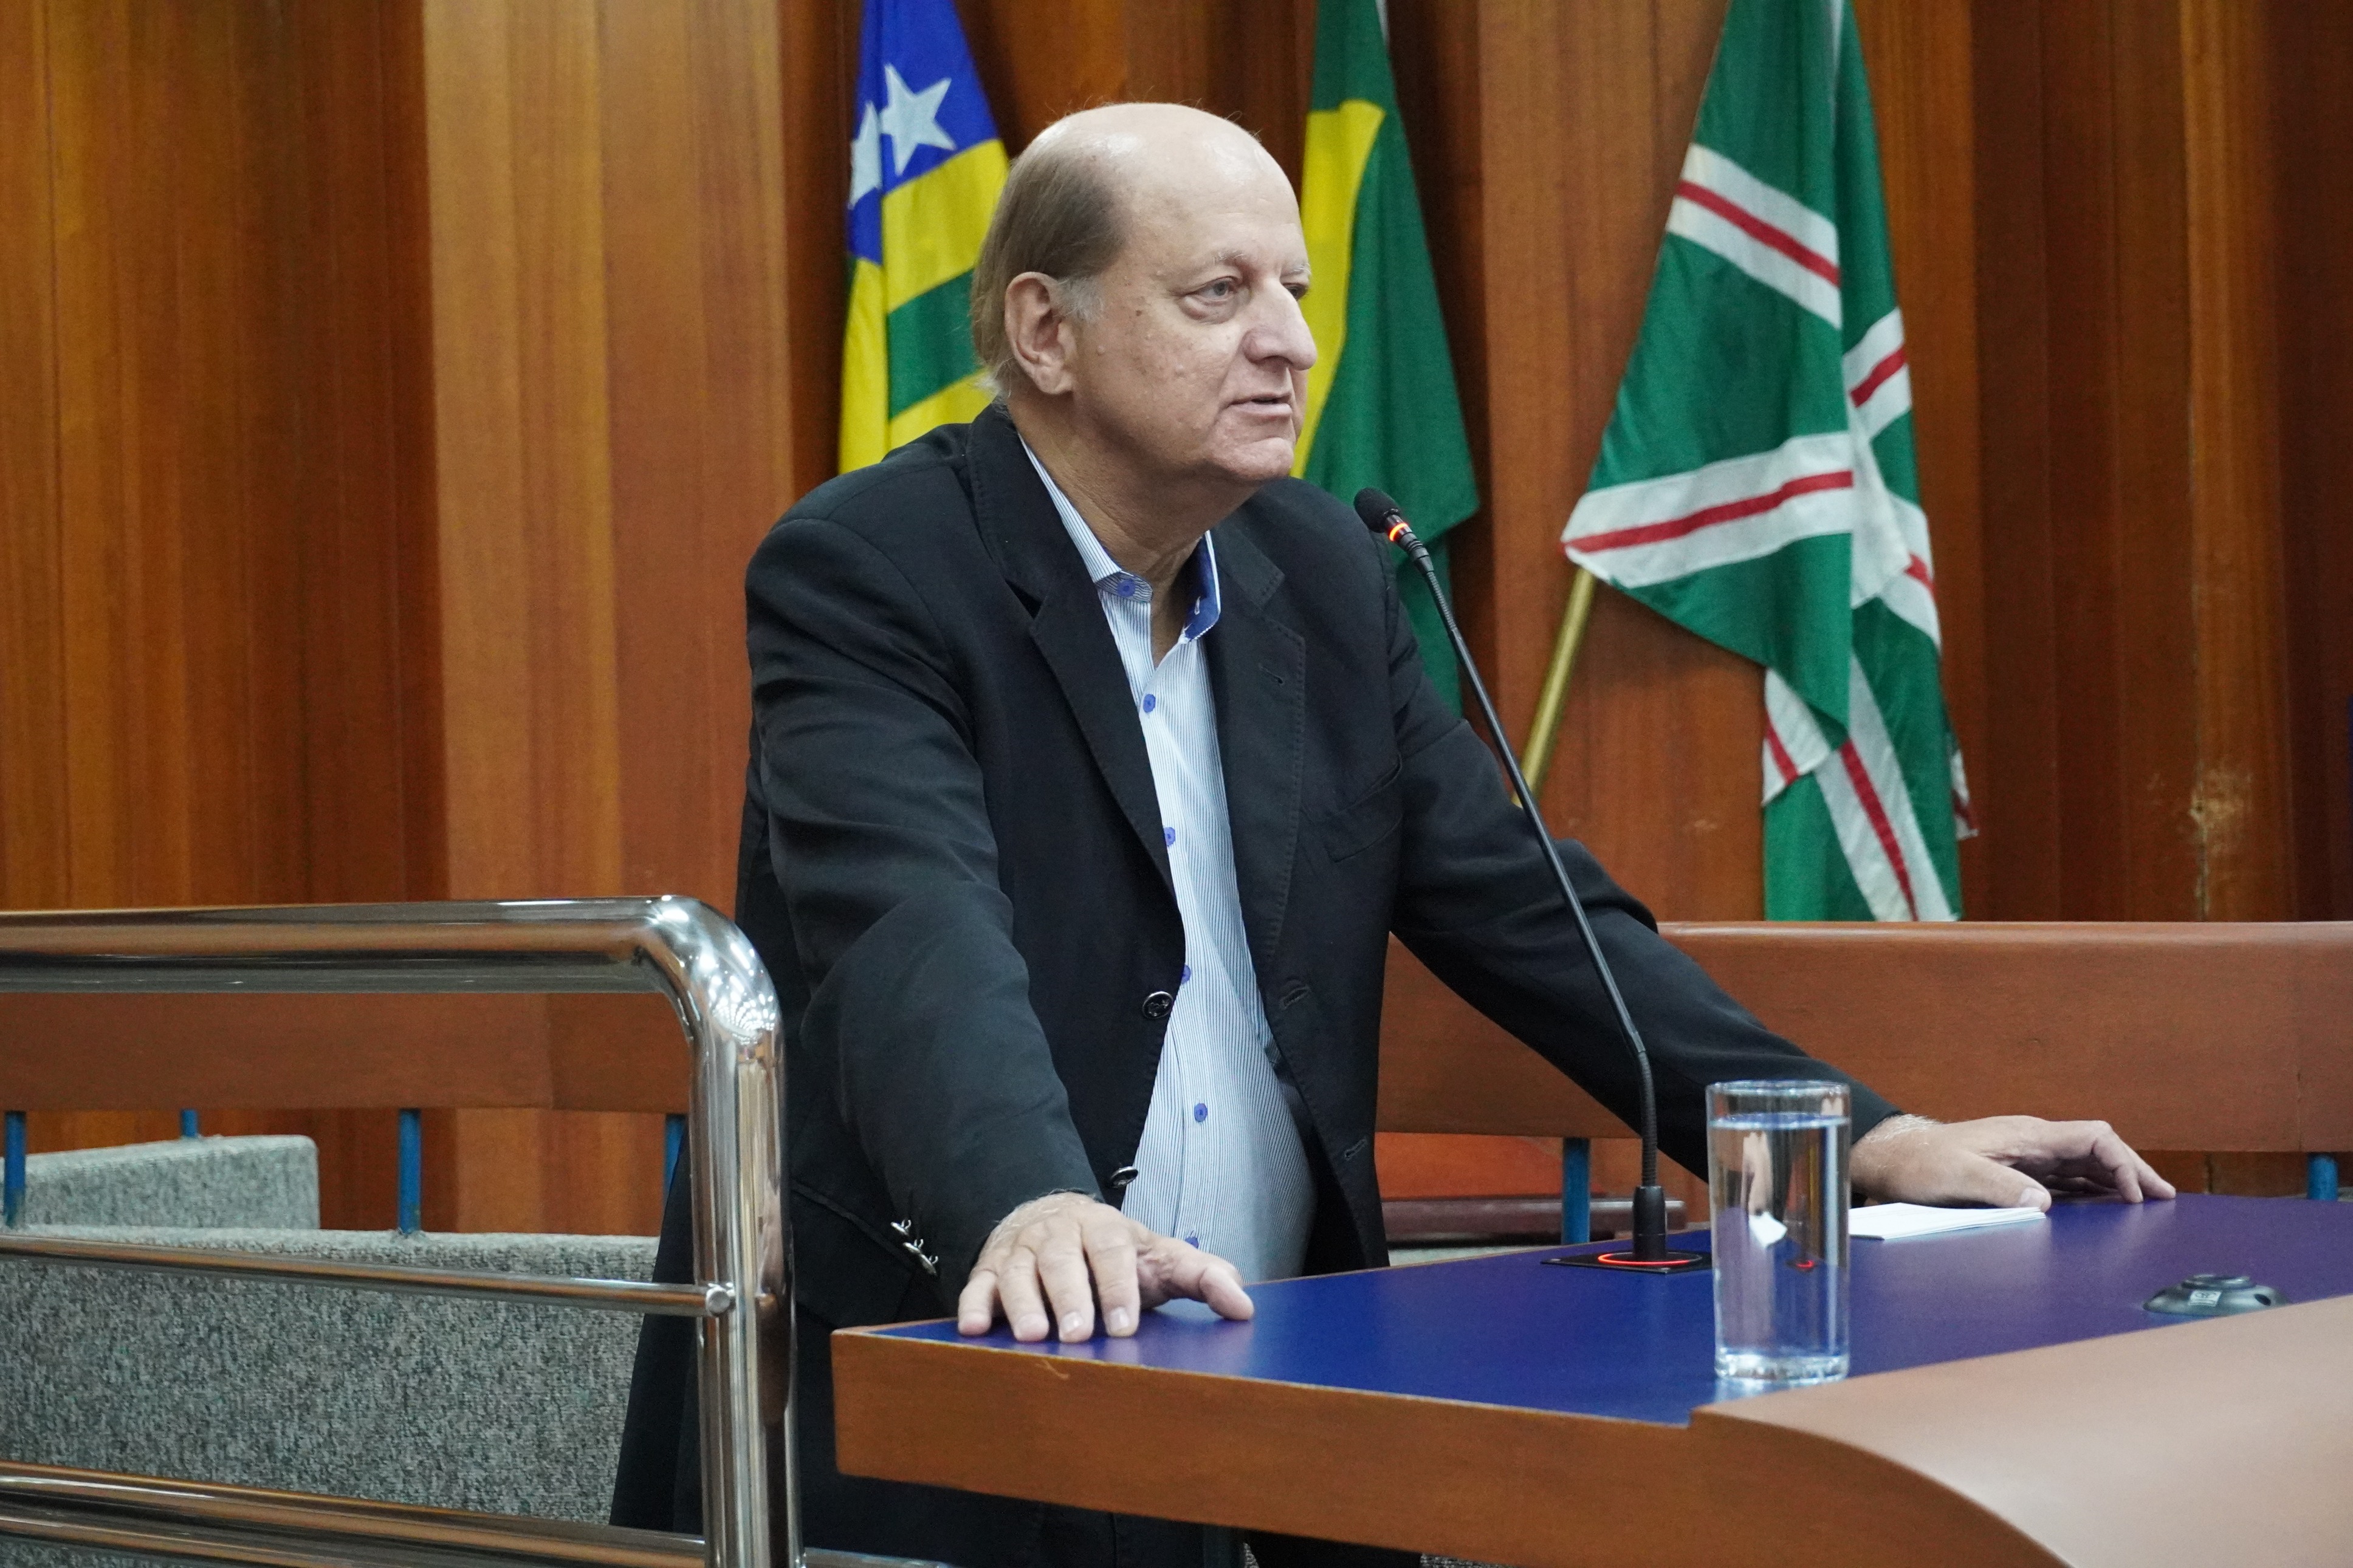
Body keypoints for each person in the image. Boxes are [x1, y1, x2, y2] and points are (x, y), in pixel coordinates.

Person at [612, 102, 2173, 1567]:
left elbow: (1527, 911)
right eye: (1218, 294)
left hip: (1266, 1367)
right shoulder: (872, 566)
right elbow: (911, 926)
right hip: (963, 1353)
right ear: (1045, 331)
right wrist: (1027, 1198)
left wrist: (1855, 1142)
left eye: (1293, 291)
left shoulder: (1317, 567)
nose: (1291, 343)